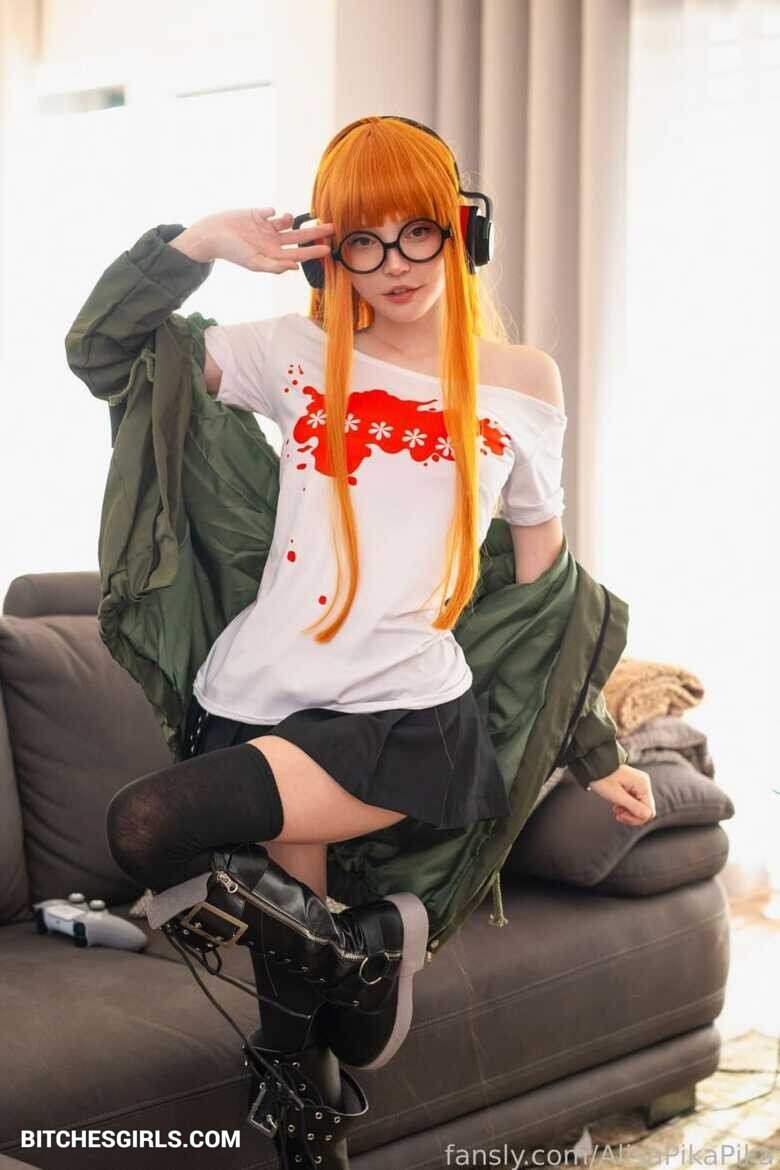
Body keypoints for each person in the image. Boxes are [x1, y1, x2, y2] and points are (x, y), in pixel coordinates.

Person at [98, 115, 653, 1166]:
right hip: (257, 698)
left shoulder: (522, 382)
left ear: (461, 231)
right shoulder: (291, 352)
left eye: (417, 232)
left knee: (147, 825)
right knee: (292, 1039)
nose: (394, 263)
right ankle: (352, 982)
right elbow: (107, 352)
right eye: (363, 239)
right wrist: (201, 243)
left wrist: (594, 748)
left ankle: (365, 947)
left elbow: (547, 593)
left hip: (405, 724)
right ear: (330, 254)